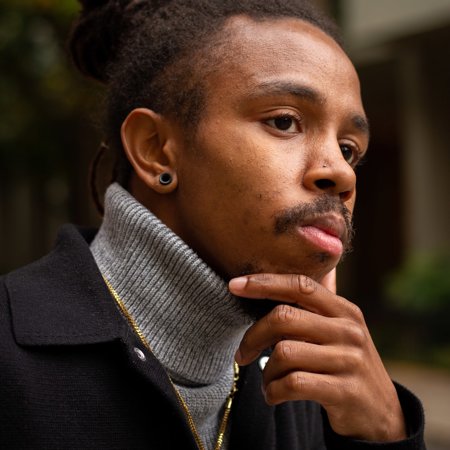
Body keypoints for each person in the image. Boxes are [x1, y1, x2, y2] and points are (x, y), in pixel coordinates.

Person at [0, 0, 426, 449]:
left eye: (348, 149)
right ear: (155, 149)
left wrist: (385, 435)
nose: (341, 173)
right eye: (284, 122)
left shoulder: (314, 385)